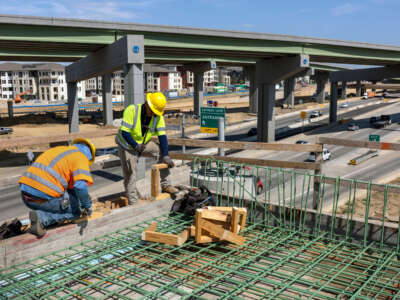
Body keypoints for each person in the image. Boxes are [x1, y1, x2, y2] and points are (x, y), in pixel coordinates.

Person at [18, 138, 96, 237]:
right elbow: (80, 186)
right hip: (42, 196)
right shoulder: (81, 157)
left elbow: (72, 189)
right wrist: (87, 205)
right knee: (76, 211)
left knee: (69, 202)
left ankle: (43, 219)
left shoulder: (59, 151)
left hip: (26, 196)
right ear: (89, 157)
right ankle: (41, 219)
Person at [115, 92, 177, 204]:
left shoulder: (157, 116)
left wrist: (166, 155)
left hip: (143, 144)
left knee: (162, 152)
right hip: (127, 145)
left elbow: (162, 137)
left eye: (156, 112)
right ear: (147, 104)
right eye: (153, 111)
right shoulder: (132, 110)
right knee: (130, 174)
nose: (154, 114)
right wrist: (135, 146)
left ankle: (166, 185)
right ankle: (133, 203)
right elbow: (125, 132)